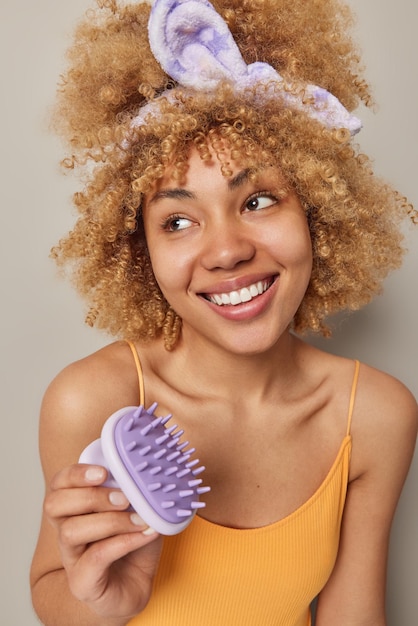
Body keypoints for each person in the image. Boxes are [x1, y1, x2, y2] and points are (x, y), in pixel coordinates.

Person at [30, 0, 418, 624]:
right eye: (177, 221)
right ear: (141, 251)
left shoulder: (374, 415)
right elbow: (54, 591)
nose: (228, 250)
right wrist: (103, 602)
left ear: (317, 213)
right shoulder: (93, 399)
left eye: (259, 200)